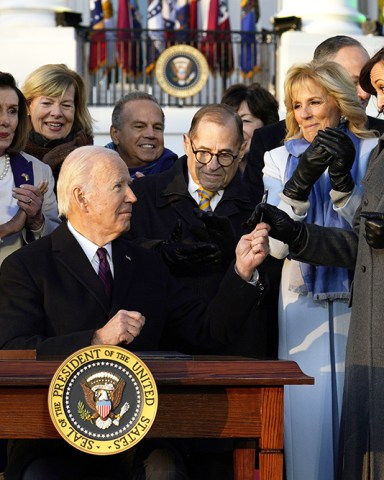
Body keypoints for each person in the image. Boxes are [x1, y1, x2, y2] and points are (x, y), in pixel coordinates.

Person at [0, 144, 270, 480]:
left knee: (165, 471)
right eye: (119, 187)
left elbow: (207, 330)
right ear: (81, 197)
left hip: (141, 437)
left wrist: (241, 272)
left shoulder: (146, 265)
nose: (133, 196)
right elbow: (13, 353)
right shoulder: (26, 266)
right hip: (51, 438)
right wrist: (96, 340)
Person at [253, 45, 384, 480]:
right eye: (296, 105)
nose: (305, 114)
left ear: (338, 102)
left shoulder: (371, 150)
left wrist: (344, 181)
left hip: (358, 295)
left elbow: (365, 235)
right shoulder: (276, 158)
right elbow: (274, 244)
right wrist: (301, 179)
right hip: (299, 301)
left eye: (315, 101)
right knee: (306, 420)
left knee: (358, 413)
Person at [128, 103, 279, 359]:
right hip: (161, 355)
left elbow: (271, 287)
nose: (212, 165)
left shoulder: (260, 206)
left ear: (241, 150)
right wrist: (158, 251)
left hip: (235, 356)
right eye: (203, 153)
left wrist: (237, 263)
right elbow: (118, 261)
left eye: (225, 155)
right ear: (187, 144)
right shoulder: (142, 196)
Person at [244, 35, 384, 200]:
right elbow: (257, 215)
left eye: (367, 83)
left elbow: (370, 219)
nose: (365, 93)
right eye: (350, 82)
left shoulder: (377, 141)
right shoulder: (271, 145)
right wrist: (297, 186)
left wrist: (344, 186)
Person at [0, 71, 59, 266]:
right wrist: (8, 228)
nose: (5, 121)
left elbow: (58, 241)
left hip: (19, 290)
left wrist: (36, 221)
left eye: (12, 111)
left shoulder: (38, 170)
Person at [22, 63, 94, 183]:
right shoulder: (8, 155)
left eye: (66, 105)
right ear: (28, 106)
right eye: (47, 103)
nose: (56, 113)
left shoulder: (92, 160)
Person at [105, 91, 178, 179]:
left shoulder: (179, 176)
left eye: (157, 127)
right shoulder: (93, 170)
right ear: (115, 134)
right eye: (139, 126)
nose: (150, 134)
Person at [221, 82, 279, 172]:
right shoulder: (213, 173)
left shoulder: (282, 170)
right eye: (229, 121)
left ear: (267, 125)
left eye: (245, 121)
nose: (236, 129)